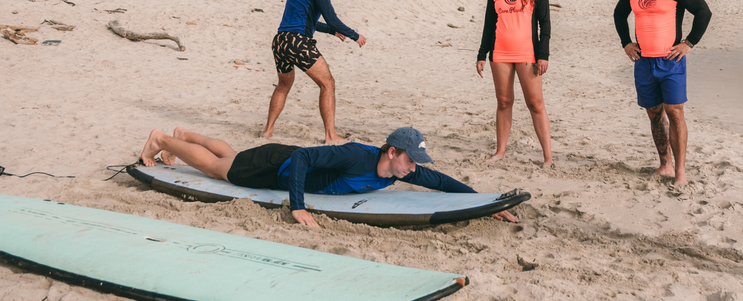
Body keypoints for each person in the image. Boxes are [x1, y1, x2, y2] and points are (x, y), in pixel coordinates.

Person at [138, 126, 519, 228]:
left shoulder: (399, 169)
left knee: (232, 155)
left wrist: (481, 203)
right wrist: (297, 207)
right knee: (216, 169)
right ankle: (162, 139)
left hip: (274, 158)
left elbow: (441, 183)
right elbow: (303, 157)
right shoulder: (357, 155)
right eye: (411, 159)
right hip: (275, 166)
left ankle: (184, 136)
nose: (414, 167)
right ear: (391, 152)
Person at [613, 0, 712, 186]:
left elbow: (703, 12)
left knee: (675, 113)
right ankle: (664, 164)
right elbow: (619, 15)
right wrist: (626, 42)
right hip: (643, 62)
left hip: (670, 61)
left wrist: (689, 43)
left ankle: (680, 172)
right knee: (654, 114)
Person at [262, 0, 366, 143]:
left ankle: (267, 131)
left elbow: (308, 20)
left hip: (280, 41)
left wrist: (331, 31)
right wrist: (354, 35)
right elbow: (332, 18)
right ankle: (330, 136)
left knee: (283, 85)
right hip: (298, 42)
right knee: (328, 84)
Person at [476, 0, 553, 166]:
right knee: (503, 102)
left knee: (535, 104)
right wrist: (482, 54)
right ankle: (500, 151)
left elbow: (545, 24)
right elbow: (489, 24)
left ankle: (548, 157)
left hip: (528, 53)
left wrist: (543, 55)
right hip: (499, 52)